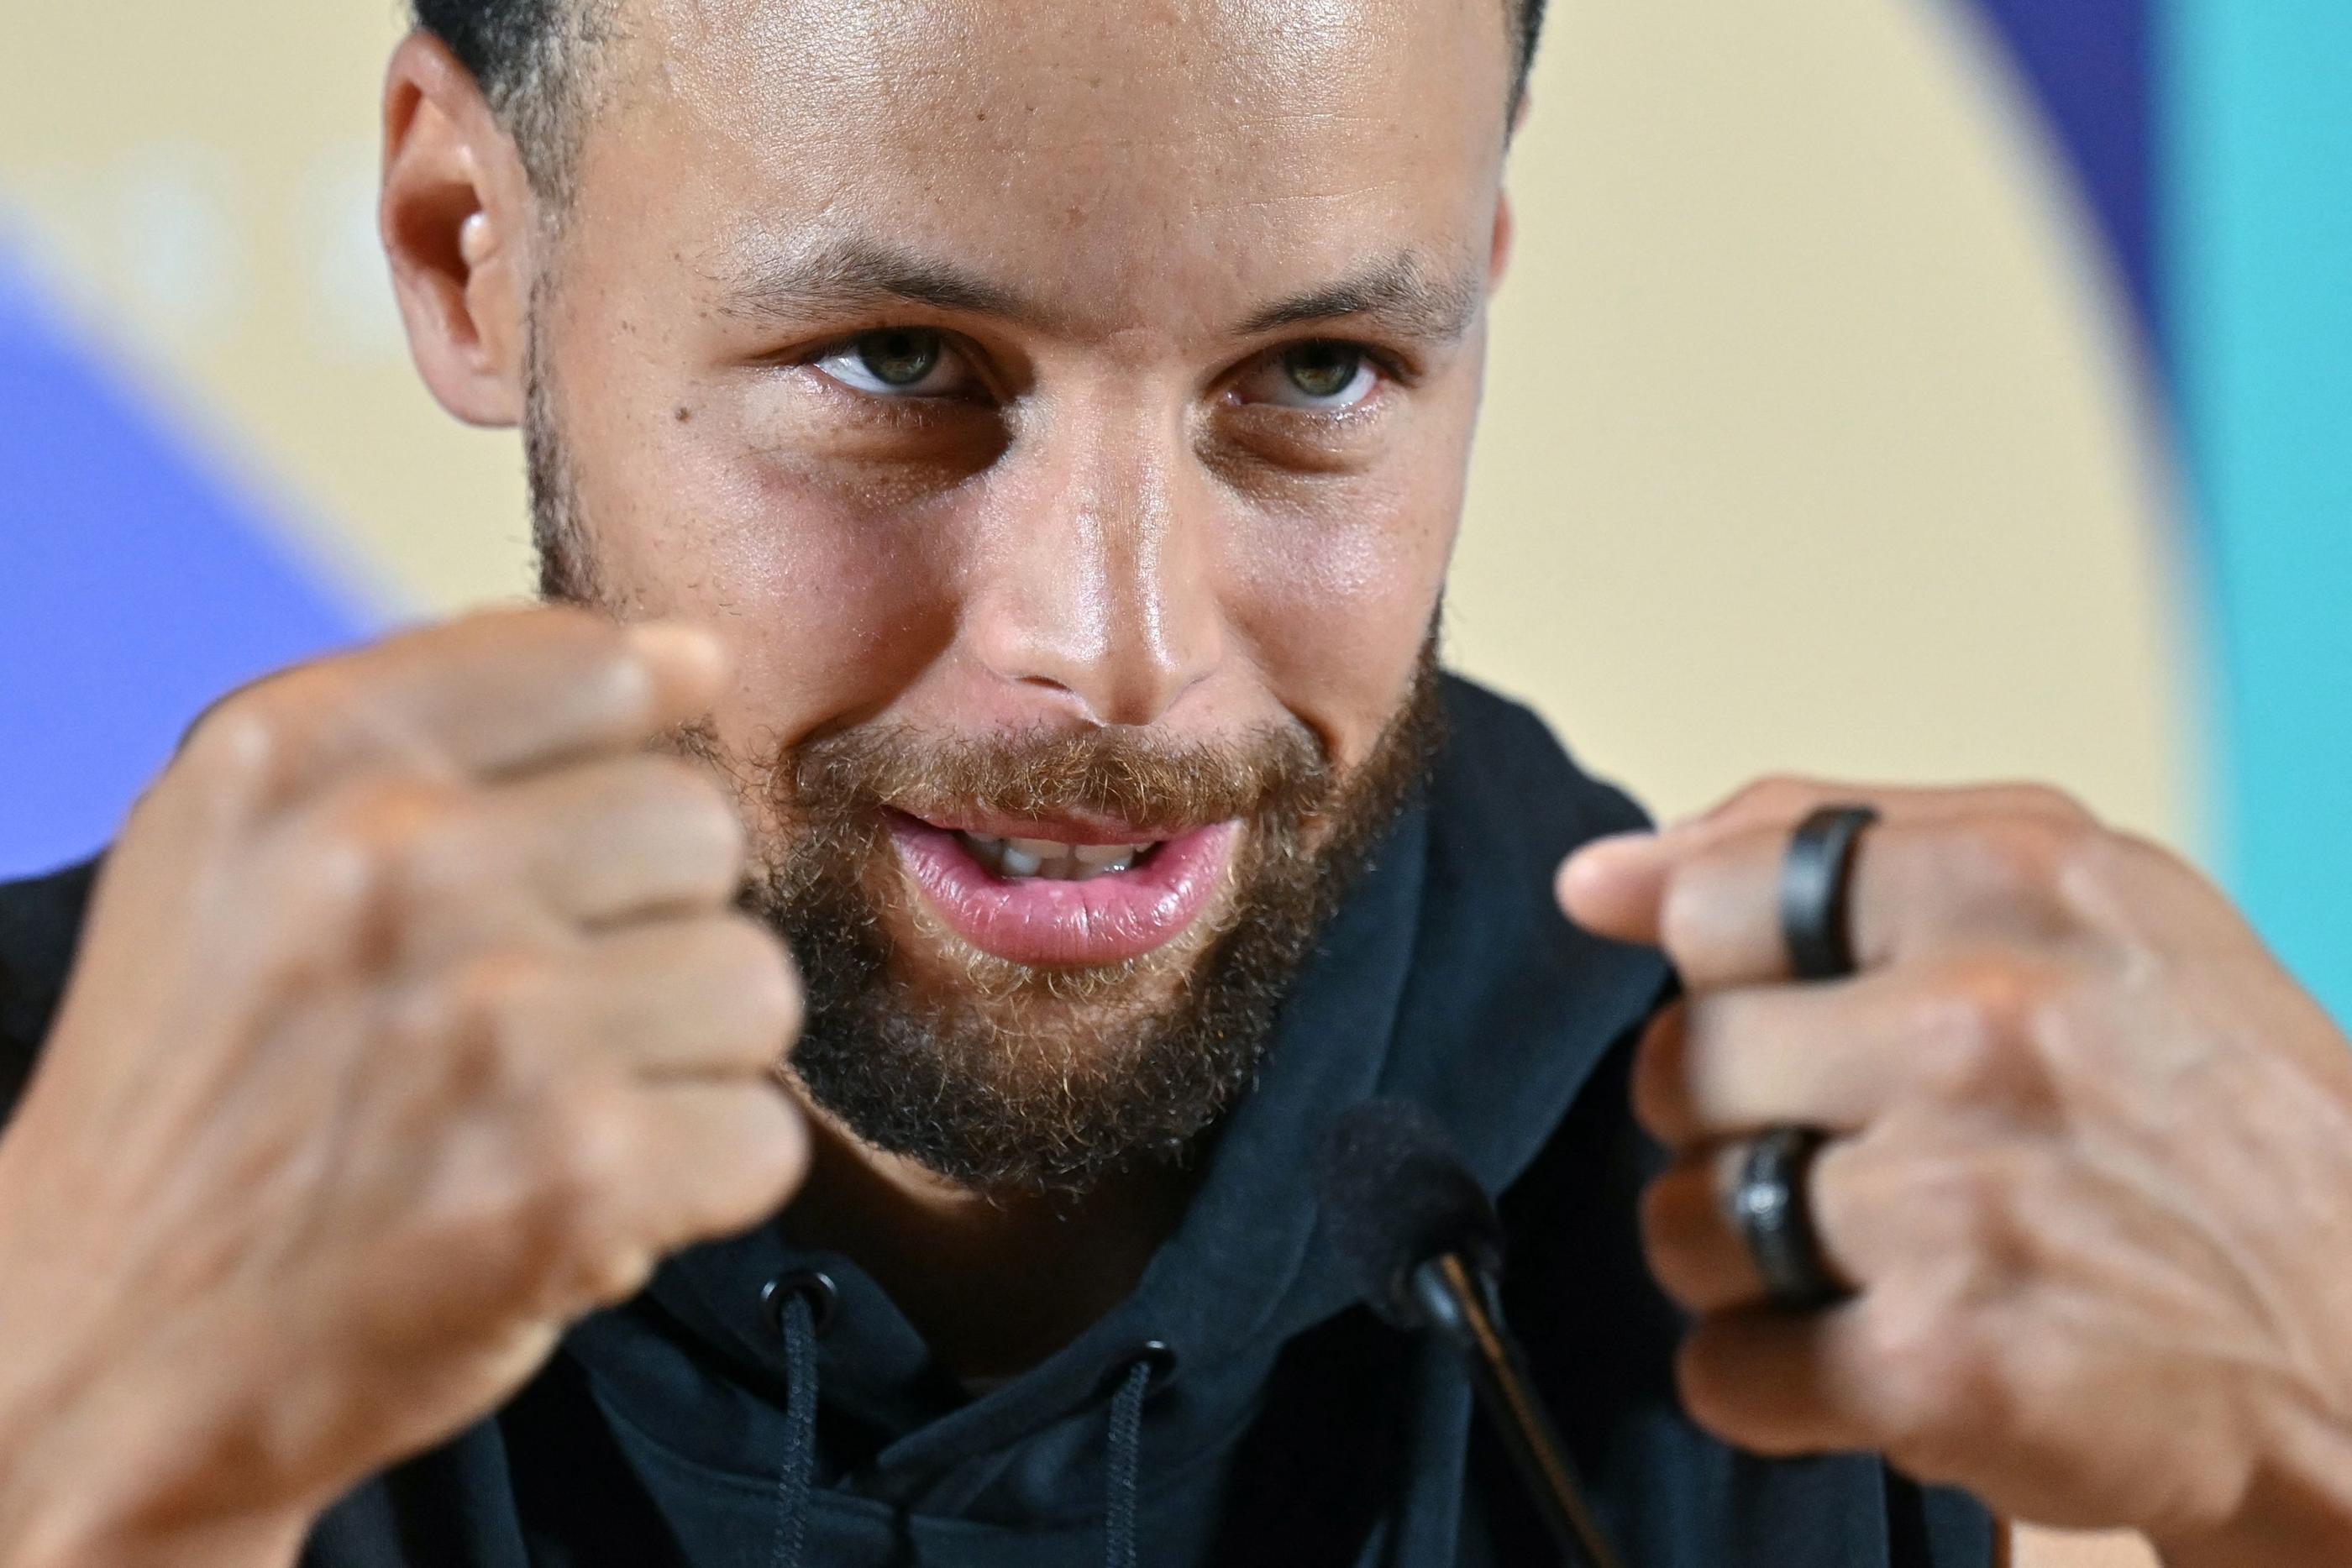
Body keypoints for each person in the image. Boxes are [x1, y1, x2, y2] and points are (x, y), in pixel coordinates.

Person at [0, 0, 2348, 1563]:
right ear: (463, 242)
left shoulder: (1774, 1237)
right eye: (902, 359)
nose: (1118, 642)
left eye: (1315, 371)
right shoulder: (55, 1169)